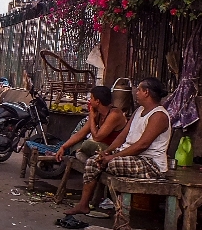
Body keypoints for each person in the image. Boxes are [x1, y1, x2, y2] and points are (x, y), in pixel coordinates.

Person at [65, 77, 172, 216]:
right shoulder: (139, 111)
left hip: (150, 164)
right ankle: (83, 205)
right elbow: (122, 136)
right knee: (93, 161)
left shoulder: (159, 115)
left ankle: (117, 208)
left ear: (146, 92)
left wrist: (112, 157)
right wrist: (107, 152)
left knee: (113, 164)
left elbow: (142, 145)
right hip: (131, 158)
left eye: (139, 89)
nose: (136, 92)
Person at [53, 86, 127, 163]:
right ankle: (85, 157)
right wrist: (63, 147)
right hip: (97, 147)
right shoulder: (98, 113)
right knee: (74, 140)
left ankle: (84, 157)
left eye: (91, 98)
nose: (89, 100)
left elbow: (97, 137)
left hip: (110, 150)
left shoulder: (114, 114)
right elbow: (81, 133)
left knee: (87, 144)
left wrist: (91, 118)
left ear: (97, 101)